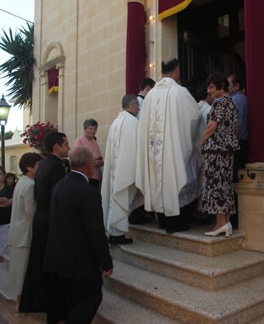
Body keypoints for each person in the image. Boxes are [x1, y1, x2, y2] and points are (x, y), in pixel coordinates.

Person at [44, 147, 113, 324]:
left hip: (58, 257)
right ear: (89, 165)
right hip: (80, 261)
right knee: (92, 298)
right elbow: (95, 231)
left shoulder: (60, 185)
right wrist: (105, 262)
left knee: (71, 299)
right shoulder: (88, 192)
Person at [136, 58, 202, 233]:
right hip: (172, 151)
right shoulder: (180, 92)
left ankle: (163, 220)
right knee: (174, 180)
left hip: (153, 151)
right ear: (177, 70)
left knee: (158, 182)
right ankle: (175, 222)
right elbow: (195, 117)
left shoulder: (150, 96)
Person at [19, 131, 70, 324]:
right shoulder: (56, 166)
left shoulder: (44, 164)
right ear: (57, 147)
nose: (69, 147)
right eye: (66, 144)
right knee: (51, 268)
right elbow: (57, 199)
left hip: (42, 220)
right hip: (50, 222)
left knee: (40, 265)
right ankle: (55, 311)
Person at [200, 73, 239, 237]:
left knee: (216, 185)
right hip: (228, 149)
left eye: (211, 87)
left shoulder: (219, 103)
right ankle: (226, 222)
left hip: (216, 149)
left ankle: (220, 223)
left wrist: (201, 142)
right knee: (225, 184)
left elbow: (211, 125)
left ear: (221, 87)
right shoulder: (232, 102)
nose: (208, 91)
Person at [101, 94, 143, 245]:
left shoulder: (116, 122)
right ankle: (117, 235)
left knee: (117, 199)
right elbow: (136, 147)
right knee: (123, 199)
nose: (139, 108)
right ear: (132, 105)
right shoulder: (132, 122)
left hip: (116, 169)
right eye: (138, 106)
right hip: (126, 169)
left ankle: (114, 232)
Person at [8, 153, 43, 312]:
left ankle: (19, 300)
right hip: (24, 233)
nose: (40, 168)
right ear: (29, 167)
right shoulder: (29, 184)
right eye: (38, 165)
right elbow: (30, 211)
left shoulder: (22, 181)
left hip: (16, 231)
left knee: (18, 269)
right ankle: (20, 303)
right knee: (22, 270)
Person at [228, 73, 248, 181]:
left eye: (229, 85)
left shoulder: (238, 99)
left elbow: (238, 124)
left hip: (239, 143)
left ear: (236, 86)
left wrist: (232, 143)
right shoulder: (237, 98)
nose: (226, 88)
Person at [73, 119, 104, 188]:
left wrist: (101, 162)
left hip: (96, 175)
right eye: (90, 129)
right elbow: (77, 158)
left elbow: (99, 157)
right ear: (85, 129)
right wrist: (93, 162)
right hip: (87, 176)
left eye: (95, 129)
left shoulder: (94, 141)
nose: (93, 131)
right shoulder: (80, 140)